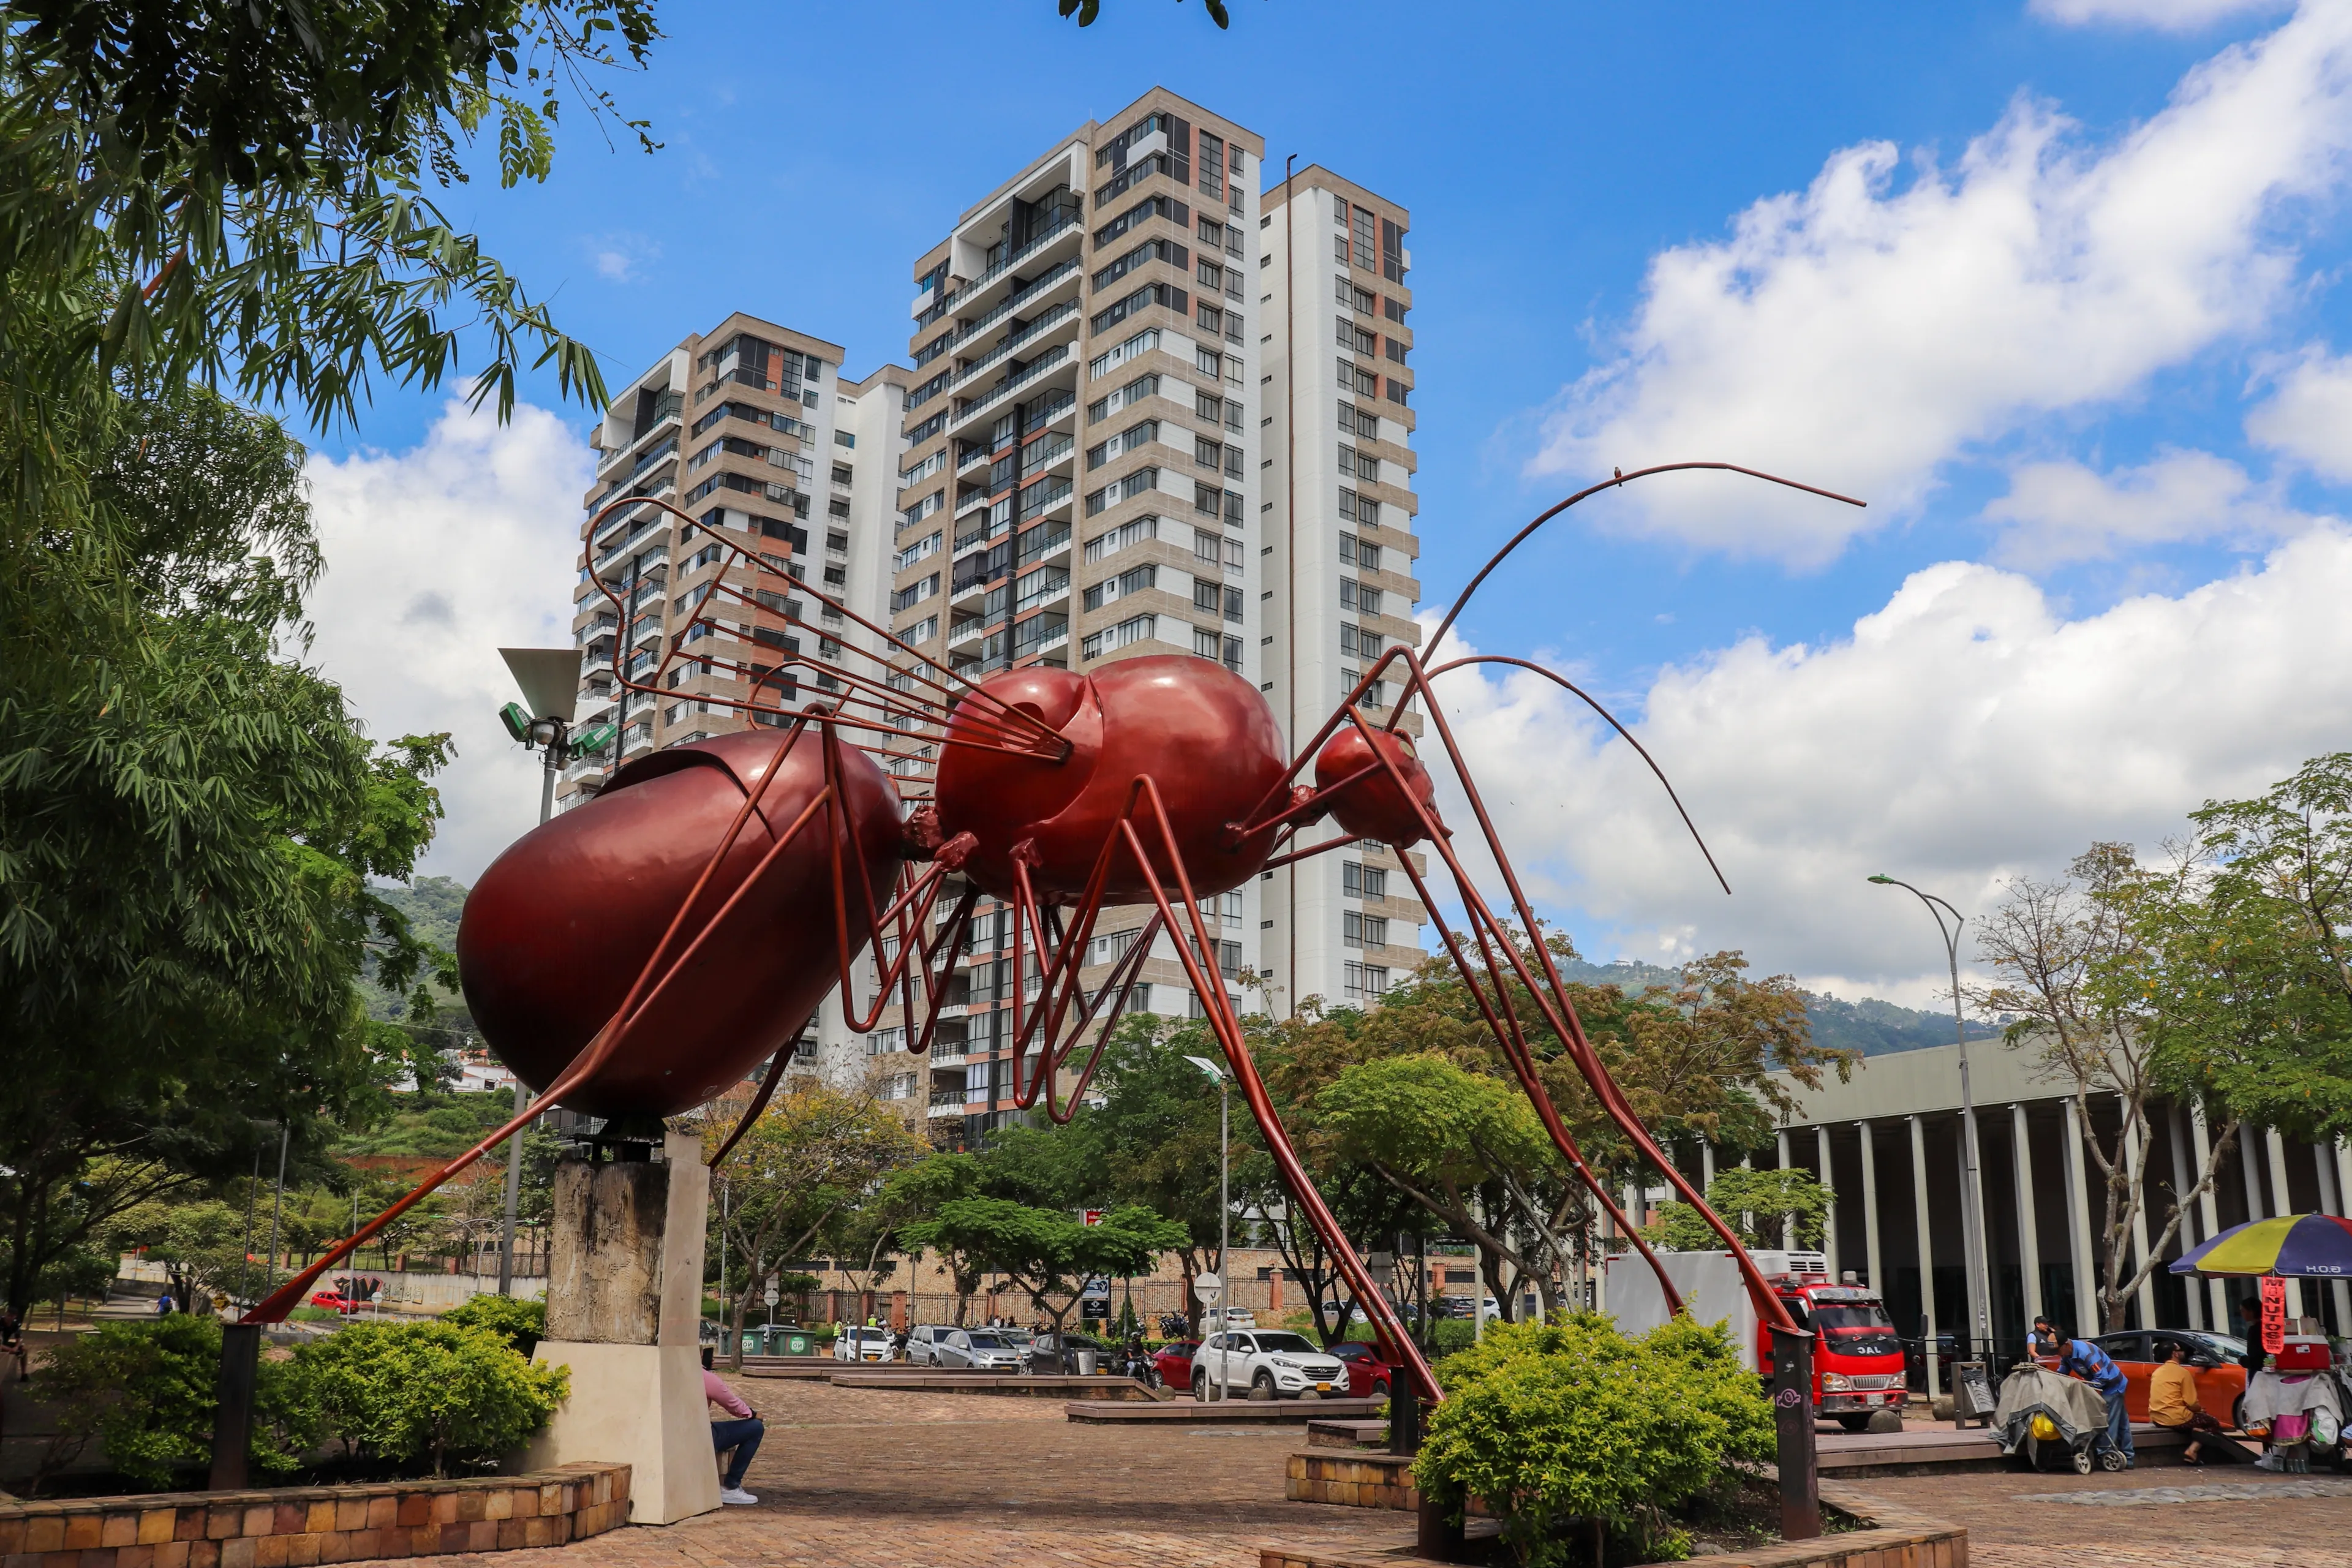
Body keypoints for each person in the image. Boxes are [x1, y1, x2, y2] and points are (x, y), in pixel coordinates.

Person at [2034, 1323, 2132, 1467]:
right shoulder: (2067, 1355)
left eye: (2059, 1350)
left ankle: (2105, 1454)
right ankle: (2128, 1459)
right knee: (2122, 1424)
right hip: (2103, 1384)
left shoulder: (2085, 1353)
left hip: (2112, 1385)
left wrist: (2084, 1388)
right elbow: (2062, 1373)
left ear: (2067, 1345)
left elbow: (2102, 1377)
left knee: (2107, 1421)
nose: (2059, 1354)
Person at [2148, 1340, 2233, 1464]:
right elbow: (2192, 1403)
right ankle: (2192, 1451)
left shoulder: (2157, 1372)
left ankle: (2197, 1431)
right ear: (2175, 1354)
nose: (2183, 1352)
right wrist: (2199, 1410)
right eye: (2180, 1350)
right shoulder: (2183, 1373)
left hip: (2157, 1418)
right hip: (2176, 1419)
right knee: (2212, 1423)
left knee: (2197, 1420)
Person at [700, 1347, 764, 1506]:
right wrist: (753, 1414)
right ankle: (731, 1486)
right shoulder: (705, 1377)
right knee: (755, 1428)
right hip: (699, 1435)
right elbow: (732, 1404)